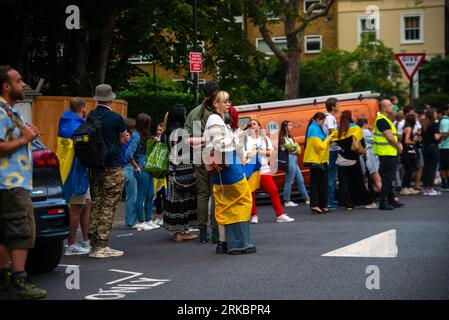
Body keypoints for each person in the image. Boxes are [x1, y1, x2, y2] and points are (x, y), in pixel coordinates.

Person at [0, 65, 47, 299]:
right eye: (18, 81)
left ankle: (5, 278)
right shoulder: (0, 111)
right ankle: (19, 280)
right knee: (22, 232)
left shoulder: (9, 111)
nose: (24, 85)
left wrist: (28, 136)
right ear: (6, 86)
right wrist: (26, 138)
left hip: (10, 183)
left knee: (5, 233)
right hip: (11, 183)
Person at [204, 90, 255, 255]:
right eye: (225, 101)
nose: (228, 104)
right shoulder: (215, 119)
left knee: (224, 205)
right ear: (215, 103)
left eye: (228, 101)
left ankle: (224, 243)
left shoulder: (216, 119)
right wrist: (237, 136)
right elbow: (220, 145)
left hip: (222, 170)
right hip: (230, 169)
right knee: (242, 202)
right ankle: (239, 243)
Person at [88, 84, 130, 259]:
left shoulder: (90, 116)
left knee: (97, 203)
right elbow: (123, 140)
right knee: (108, 205)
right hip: (112, 166)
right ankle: (102, 246)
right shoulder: (116, 118)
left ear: (97, 99)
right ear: (111, 99)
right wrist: (121, 141)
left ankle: (92, 244)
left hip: (95, 166)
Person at [185, 81, 220, 243]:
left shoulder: (193, 113)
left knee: (202, 194)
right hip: (215, 157)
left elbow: (185, 138)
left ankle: (202, 232)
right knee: (216, 194)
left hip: (198, 157)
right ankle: (215, 232)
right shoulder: (215, 113)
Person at [56, 98, 92, 255]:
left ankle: (86, 240)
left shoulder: (65, 122)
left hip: (68, 169)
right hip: (77, 172)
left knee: (86, 204)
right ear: (83, 109)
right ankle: (71, 244)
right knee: (76, 208)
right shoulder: (79, 126)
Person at [245, 120, 294, 223]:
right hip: (251, 169)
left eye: (254, 124)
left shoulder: (265, 139)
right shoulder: (246, 140)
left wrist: (259, 151)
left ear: (259, 126)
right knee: (251, 193)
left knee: (273, 191)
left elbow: (271, 152)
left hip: (263, 169)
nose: (252, 126)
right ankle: (254, 215)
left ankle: (280, 215)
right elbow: (243, 154)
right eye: (250, 124)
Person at [162, 105, 198, 242]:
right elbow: (190, 150)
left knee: (174, 201)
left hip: (172, 171)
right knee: (184, 202)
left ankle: (175, 231)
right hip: (185, 170)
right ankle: (181, 233)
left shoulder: (166, 134)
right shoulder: (182, 132)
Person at [332, 110, 377, 211]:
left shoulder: (338, 129)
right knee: (359, 182)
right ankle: (367, 202)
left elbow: (331, 141)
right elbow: (361, 143)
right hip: (353, 159)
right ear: (350, 117)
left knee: (343, 183)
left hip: (341, 159)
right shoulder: (355, 128)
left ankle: (348, 204)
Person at [124, 113, 159, 231]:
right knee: (141, 196)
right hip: (142, 169)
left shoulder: (144, 135)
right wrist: (136, 166)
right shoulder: (136, 136)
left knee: (150, 195)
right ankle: (142, 221)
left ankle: (148, 219)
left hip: (147, 168)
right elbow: (129, 153)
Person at [373, 99, 405, 211]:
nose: (392, 107)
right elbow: (390, 137)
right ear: (384, 108)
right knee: (387, 178)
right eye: (390, 105)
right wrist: (398, 146)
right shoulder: (382, 120)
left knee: (389, 177)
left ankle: (391, 200)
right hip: (386, 152)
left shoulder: (385, 119)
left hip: (388, 152)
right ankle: (383, 202)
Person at [303, 112, 332, 214]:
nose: (323, 123)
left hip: (316, 159)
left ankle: (316, 205)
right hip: (318, 159)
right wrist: (328, 138)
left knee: (315, 183)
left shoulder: (313, 128)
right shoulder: (314, 129)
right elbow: (320, 146)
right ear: (317, 119)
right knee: (322, 183)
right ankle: (322, 205)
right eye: (322, 121)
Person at [278, 120, 310, 207]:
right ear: (285, 127)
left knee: (300, 180)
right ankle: (287, 201)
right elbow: (292, 148)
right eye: (290, 125)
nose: (291, 127)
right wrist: (296, 148)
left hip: (294, 159)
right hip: (289, 160)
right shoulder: (283, 138)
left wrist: (296, 148)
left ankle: (307, 198)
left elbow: (297, 149)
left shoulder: (289, 137)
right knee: (289, 181)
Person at [121, 118, 139, 229]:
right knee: (133, 195)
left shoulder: (119, 137)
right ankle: (131, 221)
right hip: (130, 166)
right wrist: (137, 166)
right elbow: (130, 155)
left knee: (128, 196)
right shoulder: (133, 136)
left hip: (121, 167)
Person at [322, 98, 340, 209]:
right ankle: (329, 201)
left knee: (332, 176)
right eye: (338, 105)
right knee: (331, 176)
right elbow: (332, 133)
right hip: (332, 150)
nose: (339, 106)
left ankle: (330, 199)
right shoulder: (330, 118)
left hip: (331, 149)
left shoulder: (328, 117)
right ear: (333, 106)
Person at [356, 117, 382, 193]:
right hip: (369, 156)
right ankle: (385, 196)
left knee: (365, 178)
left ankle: (368, 196)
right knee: (377, 178)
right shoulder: (366, 131)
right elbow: (374, 141)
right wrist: (372, 131)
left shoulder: (358, 131)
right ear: (365, 124)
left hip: (361, 156)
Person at [421, 108, 441, 196]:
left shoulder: (424, 124)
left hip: (425, 147)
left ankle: (425, 188)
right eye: (435, 113)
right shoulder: (434, 124)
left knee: (426, 168)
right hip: (433, 147)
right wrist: (441, 135)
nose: (436, 114)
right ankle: (430, 188)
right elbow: (437, 137)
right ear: (432, 114)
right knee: (432, 169)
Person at [400, 114, 420, 196]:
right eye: (415, 119)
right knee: (409, 170)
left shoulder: (406, 128)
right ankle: (404, 188)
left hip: (407, 152)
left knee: (410, 170)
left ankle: (408, 187)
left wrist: (413, 138)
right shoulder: (409, 128)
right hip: (407, 152)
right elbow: (406, 141)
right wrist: (414, 141)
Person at [153, 122, 167, 225]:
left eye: (160, 130)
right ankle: (158, 217)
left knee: (164, 194)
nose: (158, 132)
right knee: (157, 195)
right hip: (157, 171)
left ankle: (165, 217)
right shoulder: (154, 140)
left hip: (164, 171)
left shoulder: (164, 140)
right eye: (157, 130)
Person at [439, 105, 449, 191]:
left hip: (446, 146)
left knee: (445, 166)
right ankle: (445, 184)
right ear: (446, 111)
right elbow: (443, 135)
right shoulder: (445, 121)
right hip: (445, 146)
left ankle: (445, 183)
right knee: (445, 166)